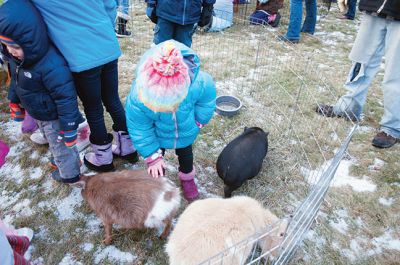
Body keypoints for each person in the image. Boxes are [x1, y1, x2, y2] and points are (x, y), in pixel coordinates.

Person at [31, 0, 137, 172]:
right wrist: (104, 28)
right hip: (106, 45)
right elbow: (110, 4)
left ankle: (103, 159)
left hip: (80, 55)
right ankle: (128, 149)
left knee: (93, 108)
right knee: (113, 100)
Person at [0, 0, 82, 183]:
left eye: (16, 47)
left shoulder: (51, 65)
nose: (10, 52)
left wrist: (69, 126)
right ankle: (65, 159)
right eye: (6, 46)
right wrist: (14, 101)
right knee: (56, 144)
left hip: (54, 118)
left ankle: (70, 175)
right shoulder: (18, 60)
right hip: (37, 112)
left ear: (30, 40)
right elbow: (16, 82)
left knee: (62, 147)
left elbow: (66, 97)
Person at [125, 40, 216, 201]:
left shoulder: (198, 82)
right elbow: (140, 127)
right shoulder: (139, 96)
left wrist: (199, 121)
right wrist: (151, 155)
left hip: (186, 130)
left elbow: (207, 100)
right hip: (158, 134)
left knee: (186, 154)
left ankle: (187, 178)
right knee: (157, 158)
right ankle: (158, 182)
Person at [316, 0, 400, 148]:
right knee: (360, 59)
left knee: (395, 72)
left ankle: (392, 127)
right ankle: (348, 107)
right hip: (374, 6)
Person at [145, 0, 216, 47]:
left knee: (183, 54)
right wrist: (150, 4)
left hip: (189, 16)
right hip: (166, 13)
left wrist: (208, 7)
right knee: (161, 51)